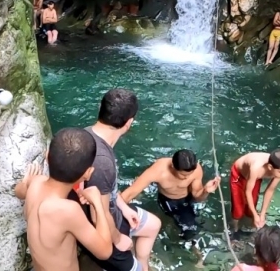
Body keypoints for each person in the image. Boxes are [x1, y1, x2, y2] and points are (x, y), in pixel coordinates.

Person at [81, 89, 161, 271]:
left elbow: (107, 189)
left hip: (114, 212)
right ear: (129, 123)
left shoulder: (88, 134)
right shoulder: (102, 162)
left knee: (153, 224)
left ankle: (142, 264)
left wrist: (124, 208)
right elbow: (97, 214)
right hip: (104, 232)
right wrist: (118, 239)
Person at [13, 128, 113, 271]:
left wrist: (25, 182)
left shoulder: (35, 183)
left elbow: (19, 192)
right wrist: (97, 203)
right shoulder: (69, 211)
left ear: (47, 157)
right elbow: (105, 252)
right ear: (88, 173)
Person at [120, 149, 221, 240]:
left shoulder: (196, 169)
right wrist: (113, 212)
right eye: (183, 175)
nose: (187, 178)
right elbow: (131, 192)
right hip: (168, 200)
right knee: (188, 229)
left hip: (187, 197)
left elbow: (197, 197)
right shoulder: (158, 170)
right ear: (173, 166)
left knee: (194, 227)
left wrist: (206, 191)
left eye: (190, 174)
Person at [230, 149, 280, 232]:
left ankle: (253, 228)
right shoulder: (256, 168)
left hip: (255, 178)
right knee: (238, 210)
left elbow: (270, 191)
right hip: (239, 175)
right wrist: (256, 215)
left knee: (251, 210)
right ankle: (234, 230)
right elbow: (248, 192)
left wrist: (262, 214)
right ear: (270, 167)